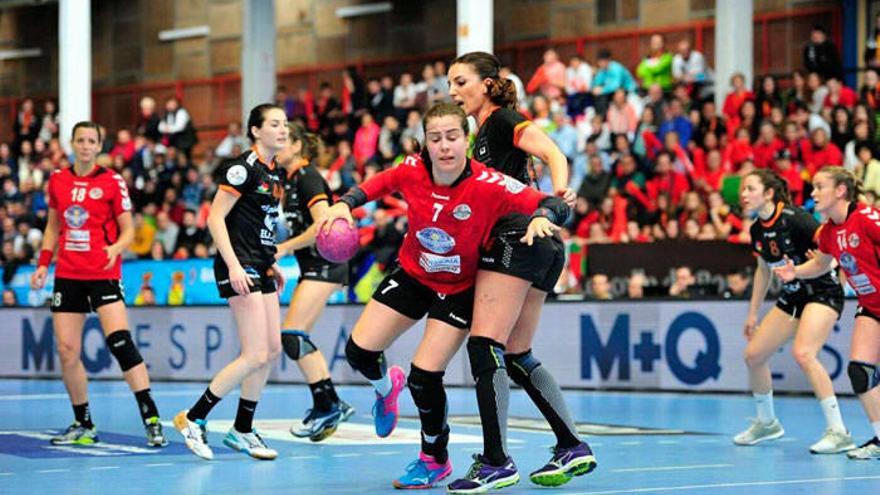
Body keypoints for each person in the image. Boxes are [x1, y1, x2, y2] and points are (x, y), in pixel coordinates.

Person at [319, 102, 570, 489]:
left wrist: (544, 216)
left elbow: (550, 203)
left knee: (423, 376)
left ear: (465, 140)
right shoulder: (412, 169)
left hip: (458, 289)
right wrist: (343, 205)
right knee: (359, 352)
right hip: (414, 274)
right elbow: (377, 184)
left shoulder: (489, 183)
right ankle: (386, 389)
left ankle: (434, 459)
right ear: (425, 143)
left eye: (452, 136)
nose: (444, 145)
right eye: (435, 138)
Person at [447, 51, 595, 492]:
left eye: (460, 82)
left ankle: (496, 462)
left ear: (487, 85)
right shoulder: (481, 135)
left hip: (520, 236)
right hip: (539, 245)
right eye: (450, 84)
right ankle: (572, 445)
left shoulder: (501, 120)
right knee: (516, 354)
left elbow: (552, 151)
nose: (452, 92)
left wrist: (558, 194)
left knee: (485, 346)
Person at [30, 121, 167, 447]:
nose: (86, 146)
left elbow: (129, 231)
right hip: (68, 274)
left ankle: (151, 418)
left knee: (120, 342)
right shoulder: (58, 180)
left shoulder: (112, 181)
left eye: (92, 141)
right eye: (81, 140)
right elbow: (52, 227)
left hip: (103, 272)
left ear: (99, 146)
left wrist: (115, 249)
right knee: (67, 351)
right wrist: (43, 264)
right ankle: (83, 422)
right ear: (72, 143)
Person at [173, 104, 287, 461]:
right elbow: (215, 218)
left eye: (285, 124)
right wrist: (235, 266)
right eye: (274, 124)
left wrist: (271, 262)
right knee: (254, 353)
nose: (283, 130)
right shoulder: (242, 168)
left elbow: (259, 223)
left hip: (260, 264)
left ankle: (242, 429)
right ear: (255, 130)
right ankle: (193, 418)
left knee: (271, 350)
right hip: (238, 265)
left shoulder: (275, 172)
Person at [735, 170, 853, 454]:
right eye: (743, 189)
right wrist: (752, 313)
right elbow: (764, 271)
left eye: (750, 188)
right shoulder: (756, 230)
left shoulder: (795, 218)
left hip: (823, 292)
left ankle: (839, 432)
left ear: (768, 193)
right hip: (793, 296)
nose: (744, 194)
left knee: (803, 353)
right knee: (753, 356)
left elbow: (830, 243)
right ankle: (767, 423)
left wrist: (832, 267)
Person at [775, 166, 880, 460]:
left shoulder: (866, 218)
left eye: (820, 187)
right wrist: (795, 271)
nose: (813, 193)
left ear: (840, 191)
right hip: (871, 306)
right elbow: (821, 264)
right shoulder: (830, 231)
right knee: (861, 372)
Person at [275, 122, 354, 441]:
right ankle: (330, 403)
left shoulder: (307, 177)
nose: (276, 147)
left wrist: (284, 247)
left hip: (326, 264)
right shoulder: (289, 180)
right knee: (297, 336)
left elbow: (322, 222)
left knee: (292, 335)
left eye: (282, 141)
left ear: (297, 146)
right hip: (314, 265)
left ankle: (328, 405)